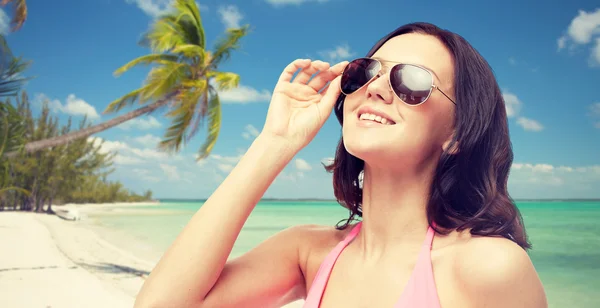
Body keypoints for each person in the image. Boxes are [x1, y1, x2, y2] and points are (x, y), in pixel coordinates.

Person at [134, 22, 548, 308]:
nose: (377, 89)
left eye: (412, 82)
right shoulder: (308, 253)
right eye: (364, 72)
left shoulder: (488, 268)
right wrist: (275, 143)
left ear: (456, 134)